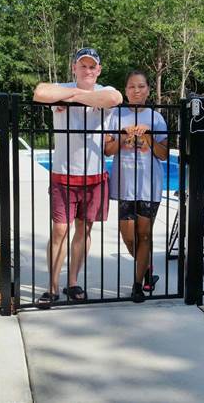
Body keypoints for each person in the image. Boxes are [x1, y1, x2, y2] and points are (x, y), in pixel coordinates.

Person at [32, 48, 123, 308]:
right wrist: (82, 96)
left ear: (99, 70)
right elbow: (40, 93)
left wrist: (71, 98)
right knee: (60, 230)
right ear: (74, 68)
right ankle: (52, 286)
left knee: (84, 230)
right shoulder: (62, 86)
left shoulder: (105, 89)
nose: (88, 70)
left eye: (92, 66)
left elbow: (114, 98)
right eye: (83, 66)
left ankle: (72, 282)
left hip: (94, 177)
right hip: (63, 176)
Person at [104, 71, 169, 303]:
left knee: (144, 236)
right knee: (128, 236)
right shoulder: (116, 115)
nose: (137, 90)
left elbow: (163, 154)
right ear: (126, 90)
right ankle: (147, 269)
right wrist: (124, 136)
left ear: (148, 90)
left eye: (141, 86)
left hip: (150, 186)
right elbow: (107, 150)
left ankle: (137, 285)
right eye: (132, 87)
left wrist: (149, 137)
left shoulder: (156, 118)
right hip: (124, 186)